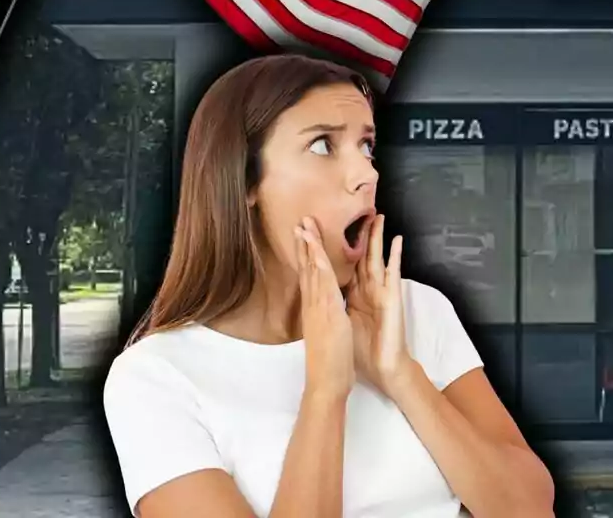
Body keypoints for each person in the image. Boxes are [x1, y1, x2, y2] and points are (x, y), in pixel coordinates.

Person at [102, 54, 555, 518]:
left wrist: (400, 373)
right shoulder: (154, 378)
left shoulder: (416, 311)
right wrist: (325, 391)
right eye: (322, 145)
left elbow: (531, 509)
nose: (367, 174)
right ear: (243, 181)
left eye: (366, 146)